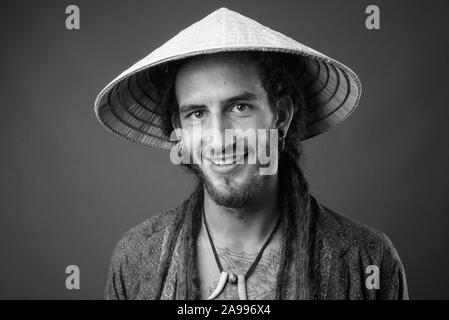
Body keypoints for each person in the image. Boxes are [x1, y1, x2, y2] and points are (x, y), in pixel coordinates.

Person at [95, 8, 408, 300]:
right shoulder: (136, 260)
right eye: (197, 114)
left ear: (281, 117)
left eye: (239, 107)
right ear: (180, 130)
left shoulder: (366, 260)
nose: (218, 141)